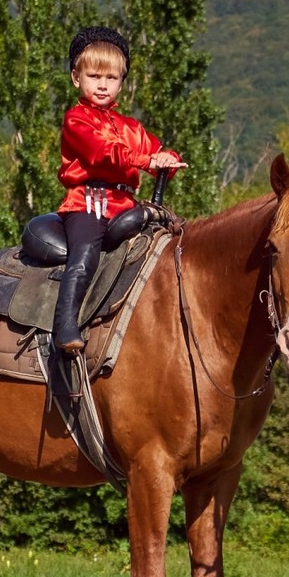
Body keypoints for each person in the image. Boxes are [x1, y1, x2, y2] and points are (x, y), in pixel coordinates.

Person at [52, 26, 186, 353]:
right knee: (85, 256)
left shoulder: (132, 128)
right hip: (88, 205)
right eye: (94, 75)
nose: (102, 84)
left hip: (126, 207)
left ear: (121, 83)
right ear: (76, 78)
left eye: (111, 78)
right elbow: (102, 153)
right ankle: (64, 324)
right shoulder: (76, 120)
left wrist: (169, 158)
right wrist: (148, 161)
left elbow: (158, 150)